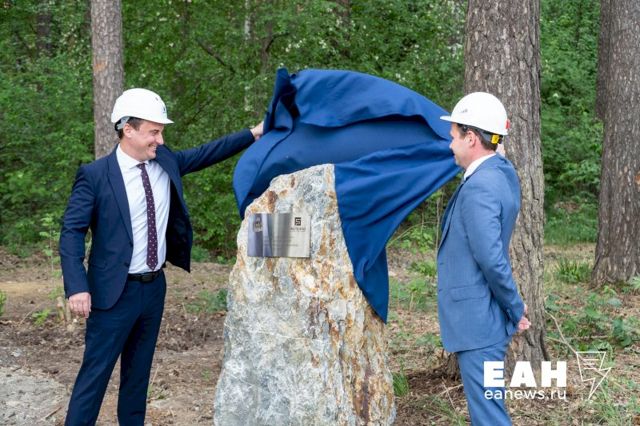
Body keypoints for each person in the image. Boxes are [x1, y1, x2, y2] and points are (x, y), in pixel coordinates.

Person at [59, 88, 263, 425]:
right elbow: (71, 232)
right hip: (112, 294)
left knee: (138, 378)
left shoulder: (165, 161)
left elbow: (207, 152)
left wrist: (253, 133)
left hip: (153, 289)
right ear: (128, 129)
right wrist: (77, 286)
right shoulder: (95, 176)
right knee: (94, 379)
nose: (161, 139)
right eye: (154, 132)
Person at [437, 92, 531, 425]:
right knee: (490, 411)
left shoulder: (480, 186)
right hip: (485, 320)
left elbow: (490, 258)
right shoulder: (500, 174)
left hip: (478, 323)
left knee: (489, 417)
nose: (451, 145)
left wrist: (515, 307)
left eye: (454, 137)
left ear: (471, 138)